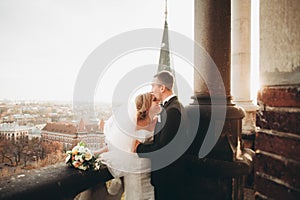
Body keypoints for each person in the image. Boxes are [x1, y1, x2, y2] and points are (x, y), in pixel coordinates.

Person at [98, 92, 161, 200]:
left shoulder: (157, 121)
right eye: (155, 100)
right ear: (147, 105)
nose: (159, 101)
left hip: (150, 173)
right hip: (136, 173)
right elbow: (121, 145)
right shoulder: (132, 125)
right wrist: (96, 153)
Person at [136, 71, 188, 200]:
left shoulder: (172, 111)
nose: (152, 90)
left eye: (154, 86)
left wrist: (139, 148)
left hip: (169, 176)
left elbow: (164, 147)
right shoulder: (173, 107)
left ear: (162, 88)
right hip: (169, 175)